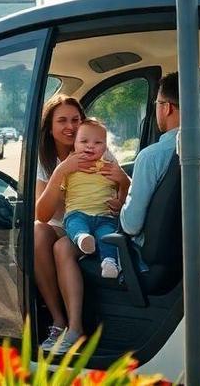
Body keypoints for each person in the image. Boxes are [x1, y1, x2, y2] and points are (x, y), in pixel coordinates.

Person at [32, 95, 122, 353]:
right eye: (62, 121)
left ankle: (75, 328)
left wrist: (119, 194)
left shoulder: (97, 149)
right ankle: (57, 320)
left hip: (95, 221)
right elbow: (42, 214)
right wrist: (62, 170)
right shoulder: (43, 159)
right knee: (38, 233)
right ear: (49, 127)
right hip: (63, 222)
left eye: (75, 119)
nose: (70, 126)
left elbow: (121, 188)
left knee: (63, 245)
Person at [61, 119, 129, 280]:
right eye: (84, 141)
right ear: (75, 144)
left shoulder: (110, 165)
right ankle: (82, 238)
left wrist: (119, 200)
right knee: (74, 224)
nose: (90, 146)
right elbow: (62, 192)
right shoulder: (69, 165)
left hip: (104, 216)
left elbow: (124, 190)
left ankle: (109, 262)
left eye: (98, 142)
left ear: (105, 146)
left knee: (107, 235)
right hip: (77, 212)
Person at [119, 72, 181, 246]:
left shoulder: (151, 157)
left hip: (150, 258)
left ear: (167, 107)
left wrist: (120, 208)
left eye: (157, 103)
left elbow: (131, 226)